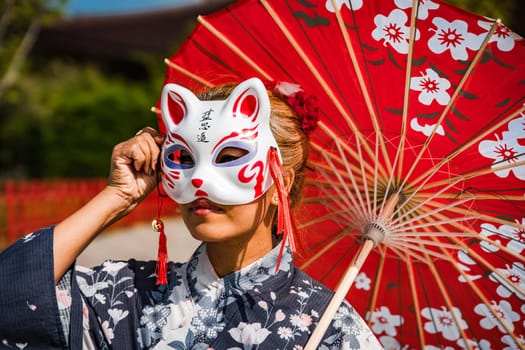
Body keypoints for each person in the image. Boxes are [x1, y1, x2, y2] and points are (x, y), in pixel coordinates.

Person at [0, 78, 382, 349]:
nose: (199, 180)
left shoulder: (332, 328)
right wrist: (116, 197)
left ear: (280, 180)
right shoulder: (126, 292)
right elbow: (11, 296)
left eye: (229, 158)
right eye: (183, 158)